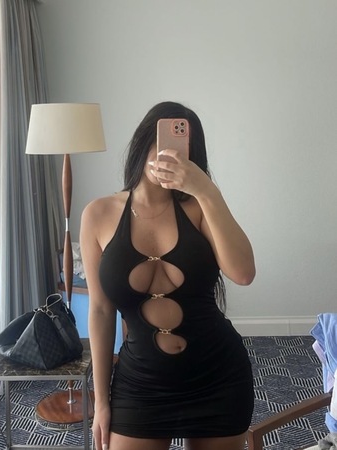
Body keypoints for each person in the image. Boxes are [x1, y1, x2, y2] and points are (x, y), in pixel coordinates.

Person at [80, 101, 256, 450]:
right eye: (158, 143)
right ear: (142, 142)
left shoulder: (201, 208)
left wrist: (206, 190)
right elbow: (100, 310)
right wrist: (101, 402)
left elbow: (244, 273)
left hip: (218, 378)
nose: (166, 155)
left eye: (178, 147)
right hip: (140, 385)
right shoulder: (98, 214)